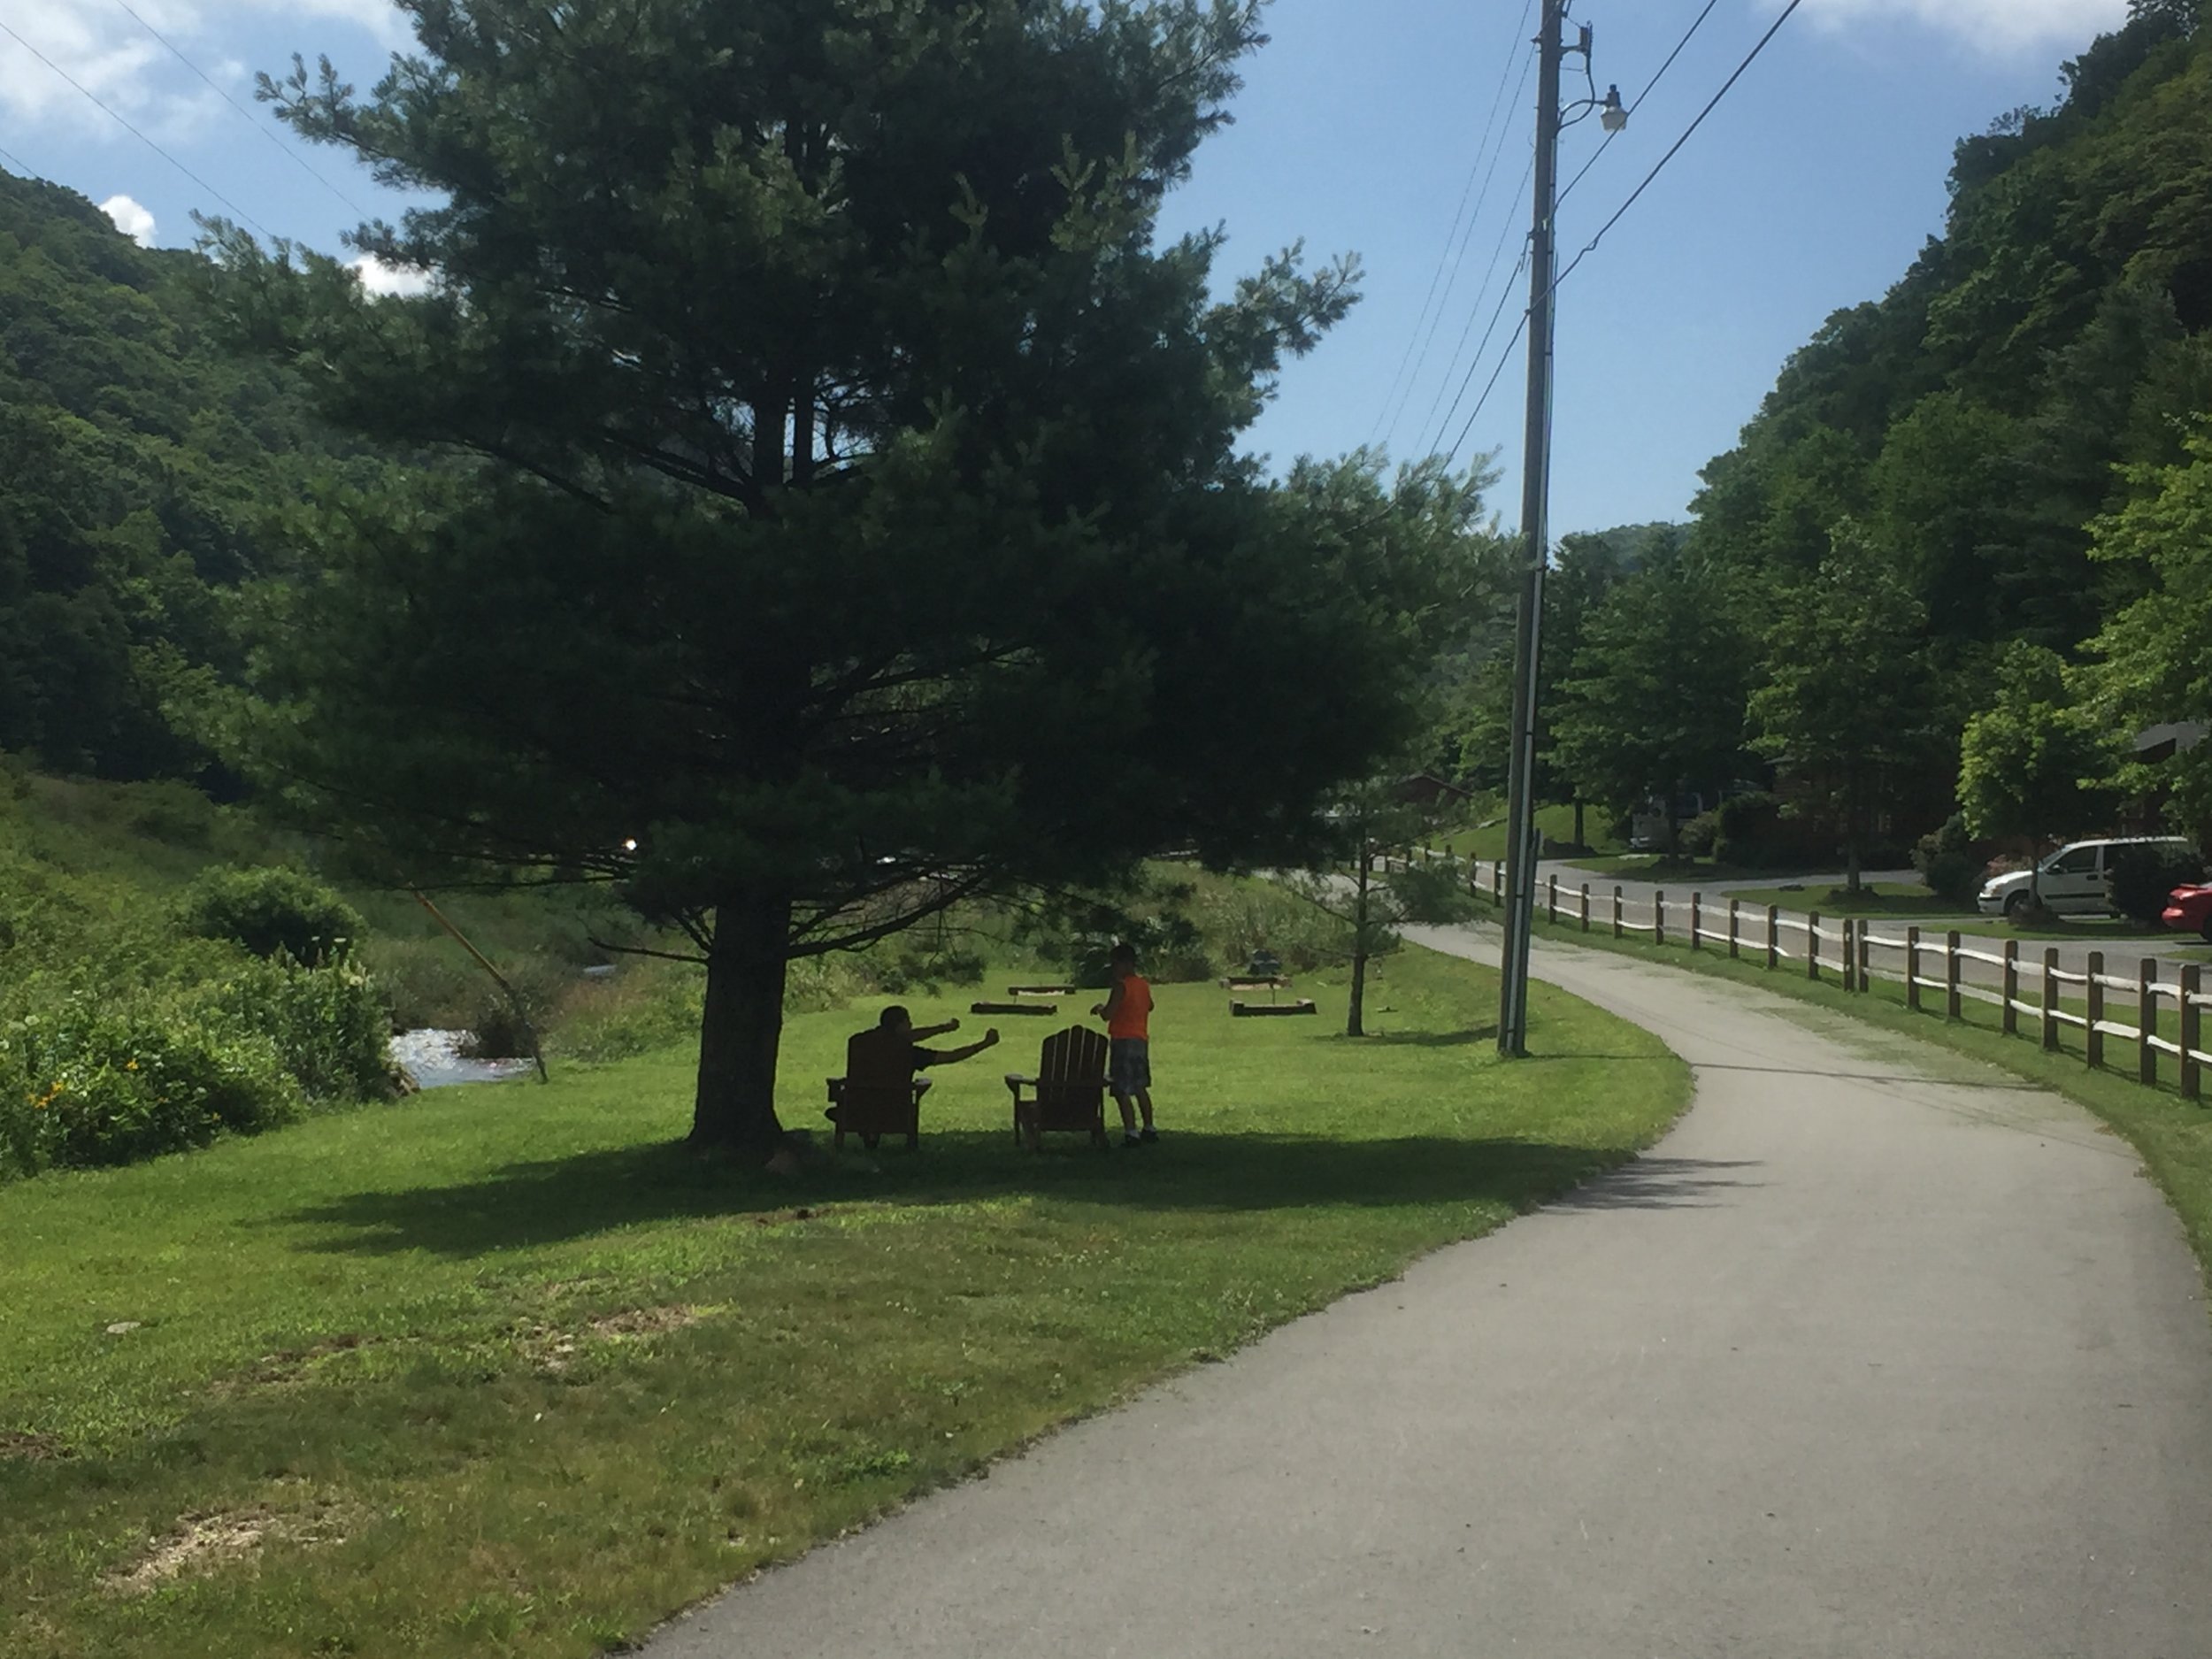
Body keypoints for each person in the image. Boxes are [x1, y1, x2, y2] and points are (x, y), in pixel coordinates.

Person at [825, 1006, 1000, 1130]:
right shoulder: (909, 1053)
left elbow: (905, 1037)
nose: (911, 1025)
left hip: (855, 1109)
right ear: (900, 1025)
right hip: (895, 1112)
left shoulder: (858, 1042)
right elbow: (950, 1056)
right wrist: (984, 1044)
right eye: (908, 1021)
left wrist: (943, 1028)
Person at [1090, 942, 1156, 1146]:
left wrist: (1100, 1008)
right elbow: (1151, 1006)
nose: (1114, 968)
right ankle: (1149, 1128)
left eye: (1116, 963)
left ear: (1127, 964)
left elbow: (1109, 1014)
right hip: (1140, 1039)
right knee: (1139, 1087)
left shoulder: (1121, 986)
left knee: (1120, 1088)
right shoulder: (1143, 984)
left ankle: (1131, 1132)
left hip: (1122, 1040)